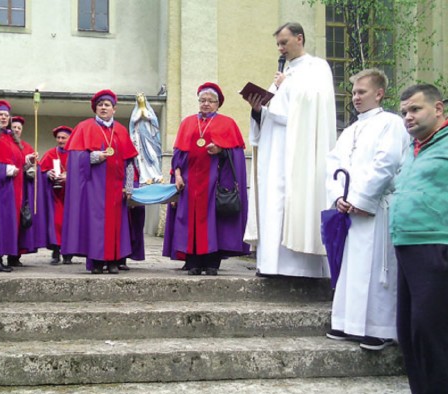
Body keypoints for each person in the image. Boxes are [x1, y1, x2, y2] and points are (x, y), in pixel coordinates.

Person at [325, 69, 409, 351]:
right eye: (353, 92)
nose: (355, 97)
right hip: (349, 210)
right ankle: (349, 322)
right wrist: (339, 196)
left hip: (376, 208)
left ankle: (380, 328)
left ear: (379, 93)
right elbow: (333, 164)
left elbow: (387, 163)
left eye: (361, 92)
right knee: (353, 268)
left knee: (378, 269)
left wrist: (361, 199)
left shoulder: (391, 123)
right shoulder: (350, 129)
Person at [243, 22, 336, 277]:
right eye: (278, 44)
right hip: (274, 151)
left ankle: (298, 268)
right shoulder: (283, 73)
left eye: (284, 42)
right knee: (273, 203)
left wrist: (287, 86)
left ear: (299, 38)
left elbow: (313, 104)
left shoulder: (316, 67)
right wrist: (257, 108)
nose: (280, 48)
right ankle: (271, 264)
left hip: (299, 150)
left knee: (293, 201)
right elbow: (273, 112)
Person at [391, 84, 448, 394]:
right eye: (403, 113)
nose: (408, 117)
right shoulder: (413, 148)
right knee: (410, 332)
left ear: (438, 108)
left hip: (436, 245)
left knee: (432, 330)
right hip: (406, 245)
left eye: (415, 109)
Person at [162, 82, 250, 275]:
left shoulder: (227, 123)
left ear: (218, 104)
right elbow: (178, 154)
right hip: (190, 183)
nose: (206, 104)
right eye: (202, 100)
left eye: (211, 101)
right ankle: (193, 263)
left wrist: (221, 150)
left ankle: (211, 263)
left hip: (215, 183)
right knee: (189, 222)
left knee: (214, 223)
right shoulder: (188, 122)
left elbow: (236, 154)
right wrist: (177, 175)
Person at [61, 89, 140, 274]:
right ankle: (96, 261)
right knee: (96, 224)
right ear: (95, 109)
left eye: (107, 105)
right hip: (94, 188)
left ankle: (113, 261)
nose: (103, 108)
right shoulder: (84, 127)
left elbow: (130, 162)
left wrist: (129, 186)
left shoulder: (120, 130)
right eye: (100, 105)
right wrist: (93, 156)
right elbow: (74, 159)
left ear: (114, 109)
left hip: (116, 188)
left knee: (116, 226)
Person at [0, 100, 23, 272]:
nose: (3, 118)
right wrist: (4, 169)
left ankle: (3, 256)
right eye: (0, 115)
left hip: (11, 187)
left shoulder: (9, 137)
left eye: (6, 115)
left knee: (8, 222)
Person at [10, 115, 49, 266]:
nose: (17, 130)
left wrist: (32, 164)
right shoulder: (4, 143)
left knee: (21, 222)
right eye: (14, 127)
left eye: (19, 128)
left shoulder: (27, 147)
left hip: (23, 190)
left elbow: (35, 169)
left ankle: (16, 256)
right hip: (8, 187)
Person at [39, 125, 74, 264]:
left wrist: (69, 176)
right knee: (57, 222)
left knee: (70, 224)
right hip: (55, 195)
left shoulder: (75, 153)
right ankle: (56, 250)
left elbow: (83, 172)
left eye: (63, 138)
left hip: (71, 196)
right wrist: (48, 174)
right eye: (58, 138)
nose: (60, 140)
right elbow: (41, 170)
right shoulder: (50, 153)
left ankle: (68, 253)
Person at [128, 92, 163, 184]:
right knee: (141, 158)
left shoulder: (149, 111)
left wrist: (148, 117)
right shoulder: (136, 112)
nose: (140, 98)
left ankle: (156, 175)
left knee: (153, 155)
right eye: (138, 97)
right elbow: (132, 124)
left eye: (141, 96)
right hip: (140, 139)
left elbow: (155, 122)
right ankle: (145, 177)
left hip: (150, 138)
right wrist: (139, 117)